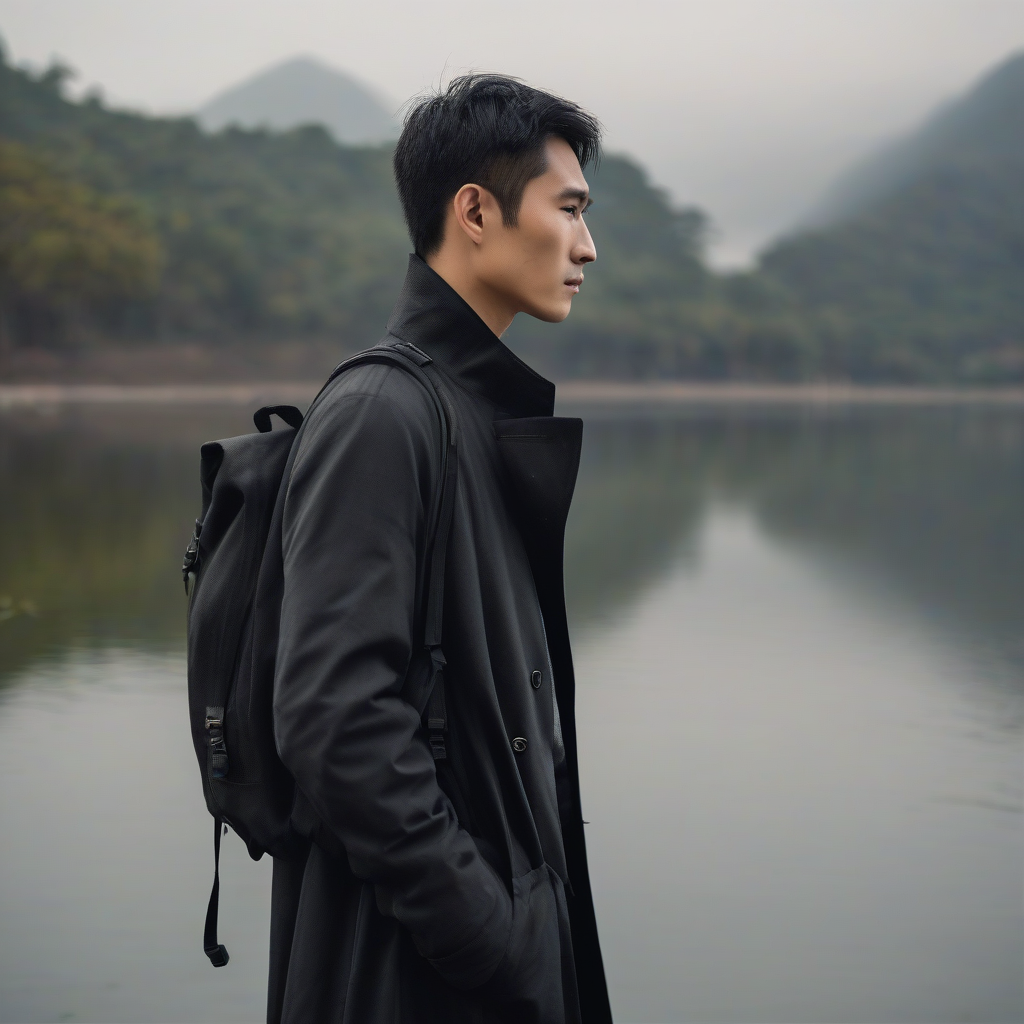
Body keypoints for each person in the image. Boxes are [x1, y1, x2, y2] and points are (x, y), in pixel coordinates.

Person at [268, 74, 612, 1024]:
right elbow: (333, 719)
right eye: (569, 209)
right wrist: (486, 934)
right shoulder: (383, 414)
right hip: (412, 974)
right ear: (475, 211)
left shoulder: (461, 410)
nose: (588, 246)